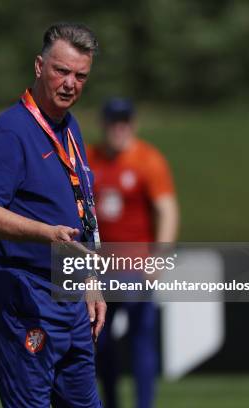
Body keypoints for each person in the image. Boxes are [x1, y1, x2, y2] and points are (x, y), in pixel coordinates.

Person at [0, 23, 106, 408]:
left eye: (81, 76)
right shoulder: (9, 132)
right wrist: (44, 233)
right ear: (38, 66)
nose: (70, 83)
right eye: (61, 71)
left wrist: (91, 281)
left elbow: (83, 206)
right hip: (24, 292)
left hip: (70, 292)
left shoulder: (69, 126)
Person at [86, 98, 179, 408]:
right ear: (105, 124)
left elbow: (166, 209)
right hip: (100, 267)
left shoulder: (147, 160)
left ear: (132, 124)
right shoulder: (90, 159)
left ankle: (144, 404)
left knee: (141, 339)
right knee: (102, 341)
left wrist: (160, 255)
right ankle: (109, 402)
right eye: (113, 122)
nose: (118, 129)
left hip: (135, 265)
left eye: (124, 122)